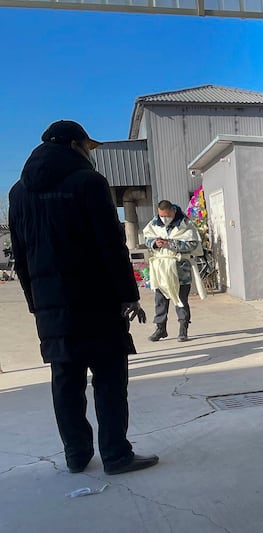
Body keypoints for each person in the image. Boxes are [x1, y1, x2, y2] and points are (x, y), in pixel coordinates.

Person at [9, 120, 158, 475]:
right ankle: (116, 455)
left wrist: (36, 304)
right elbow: (111, 244)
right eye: (86, 147)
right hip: (96, 300)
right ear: (74, 145)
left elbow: (20, 255)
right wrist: (128, 294)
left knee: (66, 380)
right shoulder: (88, 182)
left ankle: (76, 455)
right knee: (108, 378)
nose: (89, 154)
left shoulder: (18, 192)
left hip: (51, 306)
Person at [143, 200, 202, 342]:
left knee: (181, 299)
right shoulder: (154, 223)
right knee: (160, 300)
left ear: (173, 211)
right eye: (162, 216)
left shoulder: (185, 224)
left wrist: (170, 244)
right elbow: (147, 238)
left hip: (180, 268)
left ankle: (183, 328)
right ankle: (160, 328)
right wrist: (155, 243)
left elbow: (192, 244)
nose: (165, 219)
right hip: (161, 268)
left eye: (167, 215)